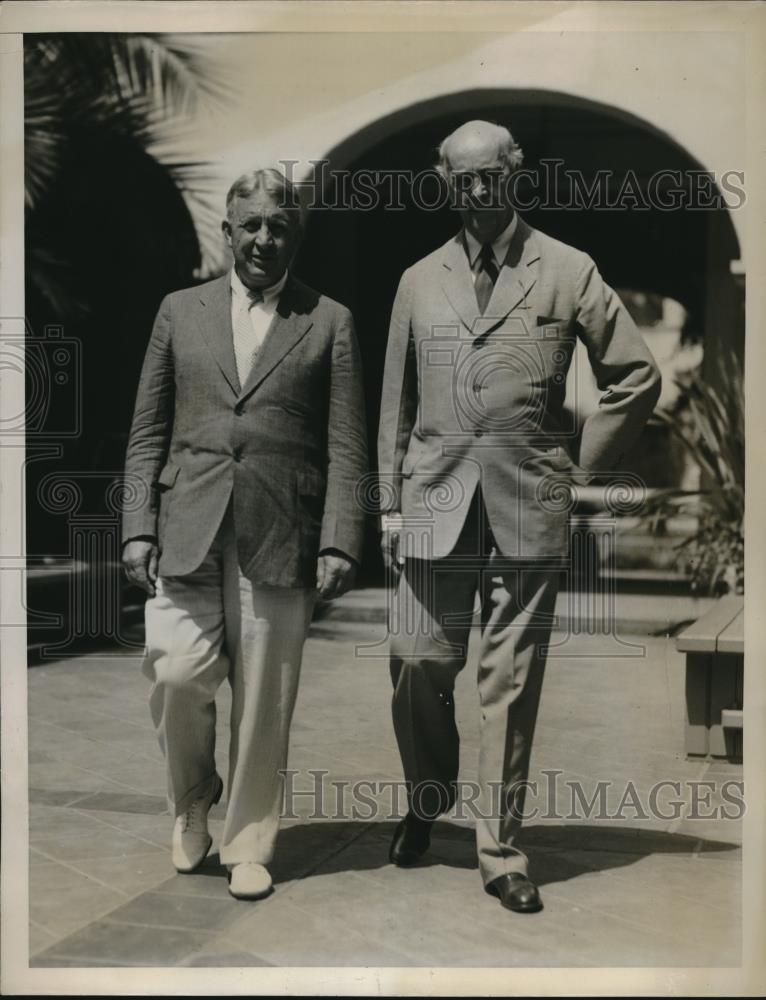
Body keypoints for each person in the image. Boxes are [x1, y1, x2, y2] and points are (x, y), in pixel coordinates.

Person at [377, 120, 661, 913]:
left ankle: (500, 849)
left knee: (508, 683)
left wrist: (580, 469)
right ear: (444, 182)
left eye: (491, 176)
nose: (478, 191)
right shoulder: (416, 279)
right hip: (433, 503)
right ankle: (427, 799)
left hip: (528, 504)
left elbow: (635, 375)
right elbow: (393, 406)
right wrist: (386, 509)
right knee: (416, 659)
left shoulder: (567, 269)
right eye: (462, 179)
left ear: (516, 174)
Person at [122, 167, 367, 900]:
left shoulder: (329, 320)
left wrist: (339, 539)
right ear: (228, 233)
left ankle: (250, 840)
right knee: (175, 673)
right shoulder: (179, 310)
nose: (265, 238)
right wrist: (137, 525)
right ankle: (195, 797)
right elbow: (147, 431)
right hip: (187, 524)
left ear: (297, 236)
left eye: (279, 226)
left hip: (280, 532)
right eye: (251, 225)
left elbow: (348, 445)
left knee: (265, 696)